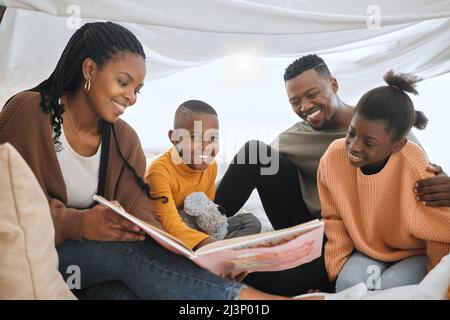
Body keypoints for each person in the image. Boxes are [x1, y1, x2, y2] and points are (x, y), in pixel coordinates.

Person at [0, 21, 297, 300]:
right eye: (123, 82)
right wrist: (80, 224)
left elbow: (144, 215)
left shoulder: (124, 138)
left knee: (136, 290)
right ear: (89, 69)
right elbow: (10, 210)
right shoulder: (28, 113)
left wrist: (204, 254)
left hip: (95, 271)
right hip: (43, 255)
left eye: (137, 90)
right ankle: (255, 301)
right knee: (128, 254)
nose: (131, 97)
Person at [214, 54, 450, 295]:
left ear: (334, 85)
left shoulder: (391, 133)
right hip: (316, 224)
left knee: (267, 279)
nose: (304, 106)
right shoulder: (295, 139)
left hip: (358, 233)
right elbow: (239, 175)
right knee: (254, 153)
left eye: (312, 94)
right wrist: (196, 198)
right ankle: (203, 228)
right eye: (295, 101)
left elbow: (426, 191)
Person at [317, 70, 450, 292]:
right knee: (349, 287)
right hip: (368, 250)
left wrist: (436, 283)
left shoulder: (413, 162)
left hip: (416, 253)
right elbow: (333, 218)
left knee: (387, 291)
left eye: (369, 143)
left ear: (397, 145)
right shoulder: (333, 157)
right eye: (351, 133)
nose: (354, 146)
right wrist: (335, 272)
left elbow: (441, 228)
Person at [145, 100, 261, 251]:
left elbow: (206, 212)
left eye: (212, 139)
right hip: (173, 235)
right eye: (196, 137)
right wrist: (209, 244)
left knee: (250, 222)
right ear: (174, 138)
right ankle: (219, 254)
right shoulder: (159, 171)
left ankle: (218, 253)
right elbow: (169, 224)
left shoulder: (210, 166)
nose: (206, 148)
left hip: (198, 230)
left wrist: (210, 237)